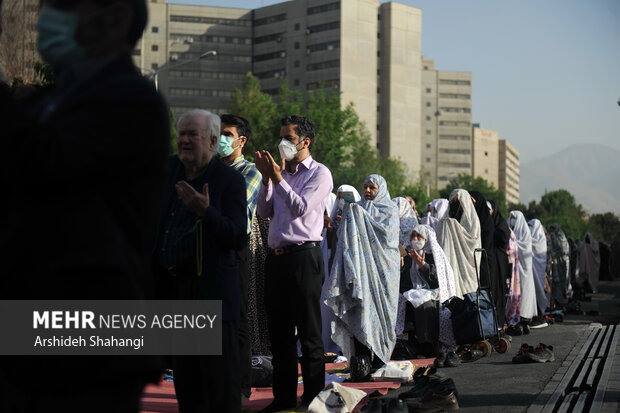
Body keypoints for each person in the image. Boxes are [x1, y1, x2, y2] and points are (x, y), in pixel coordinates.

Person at [0, 1, 170, 411]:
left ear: (113, 18)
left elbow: (40, 161)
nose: (48, 17)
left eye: (65, 5)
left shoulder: (131, 101)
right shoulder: (50, 98)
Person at [155, 109, 247, 412]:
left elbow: (237, 238)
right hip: (175, 292)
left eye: (192, 134)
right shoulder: (167, 170)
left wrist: (206, 213)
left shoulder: (228, 181)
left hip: (211, 297)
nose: (184, 140)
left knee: (219, 390)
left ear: (211, 141)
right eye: (181, 134)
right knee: (188, 387)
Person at [255, 115, 333, 413]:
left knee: (310, 334)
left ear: (305, 141)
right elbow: (263, 211)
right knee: (280, 335)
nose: (282, 144)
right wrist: (267, 179)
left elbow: (300, 207)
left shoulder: (320, 174)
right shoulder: (280, 174)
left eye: (288, 138)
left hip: (304, 257)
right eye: (281, 137)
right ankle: (284, 398)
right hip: (276, 259)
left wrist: (277, 178)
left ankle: (314, 398)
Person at [325, 174, 400, 381]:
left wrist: (359, 216)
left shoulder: (390, 210)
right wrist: (346, 221)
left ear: (381, 190)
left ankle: (379, 358)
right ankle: (362, 360)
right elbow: (346, 241)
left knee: (381, 314)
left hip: (383, 274)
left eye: (372, 188)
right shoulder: (356, 208)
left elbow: (389, 238)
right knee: (360, 310)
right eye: (365, 187)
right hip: (360, 273)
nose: (367, 191)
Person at [219, 113, 262, 399]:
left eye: (227, 134)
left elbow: (234, 206)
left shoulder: (250, 172)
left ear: (241, 140)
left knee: (236, 318)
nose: (220, 139)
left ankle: (241, 385)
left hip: (234, 249)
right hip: (205, 249)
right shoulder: (205, 169)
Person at [401, 224, 458, 365]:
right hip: (411, 293)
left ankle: (427, 345)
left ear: (426, 239)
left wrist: (423, 265)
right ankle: (408, 345)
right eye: (413, 236)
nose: (415, 239)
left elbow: (437, 281)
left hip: (433, 293)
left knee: (424, 304)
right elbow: (404, 282)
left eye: (419, 236)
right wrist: (401, 268)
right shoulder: (408, 256)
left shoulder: (434, 256)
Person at [436, 189, 481, 298]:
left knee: (468, 298)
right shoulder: (446, 221)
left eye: (457, 200)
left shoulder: (473, 222)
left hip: (468, 269)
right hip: (450, 262)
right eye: (452, 201)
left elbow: (472, 241)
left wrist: (454, 227)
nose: (454, 204)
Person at [507, 211, 537, 332]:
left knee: (525, 293)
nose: (512, 220)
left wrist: (515, 243)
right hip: (515, 270)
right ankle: (516, 319)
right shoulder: (510, 230)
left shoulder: (525, 233)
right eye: (511, 218)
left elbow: (523, 249)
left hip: (524, 270)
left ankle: (524, 318)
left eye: (515, 218)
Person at [487, 200, 511, 330]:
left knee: (498, 292)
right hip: (487, 263)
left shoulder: (500, 224)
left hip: (498, 263)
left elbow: (503, 238)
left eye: (489, 210)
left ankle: (499, 322)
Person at [528, 219, 549, 327]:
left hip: (538, 270)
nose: (529, 227)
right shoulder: (531, 238)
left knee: (539, 290)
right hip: (532, 271)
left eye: (531, 226)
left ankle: (540, 315)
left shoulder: (540, 239)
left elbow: (539, 254)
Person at [548, 223, 570, 306]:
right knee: (555, 282)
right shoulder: (553, 236)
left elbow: (563, 249)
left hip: (561, 262)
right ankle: (557, 300)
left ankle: (560, 300)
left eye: (553, 229)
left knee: (561, 281)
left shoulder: (560, 236)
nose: (551, 231)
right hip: (555, 262)